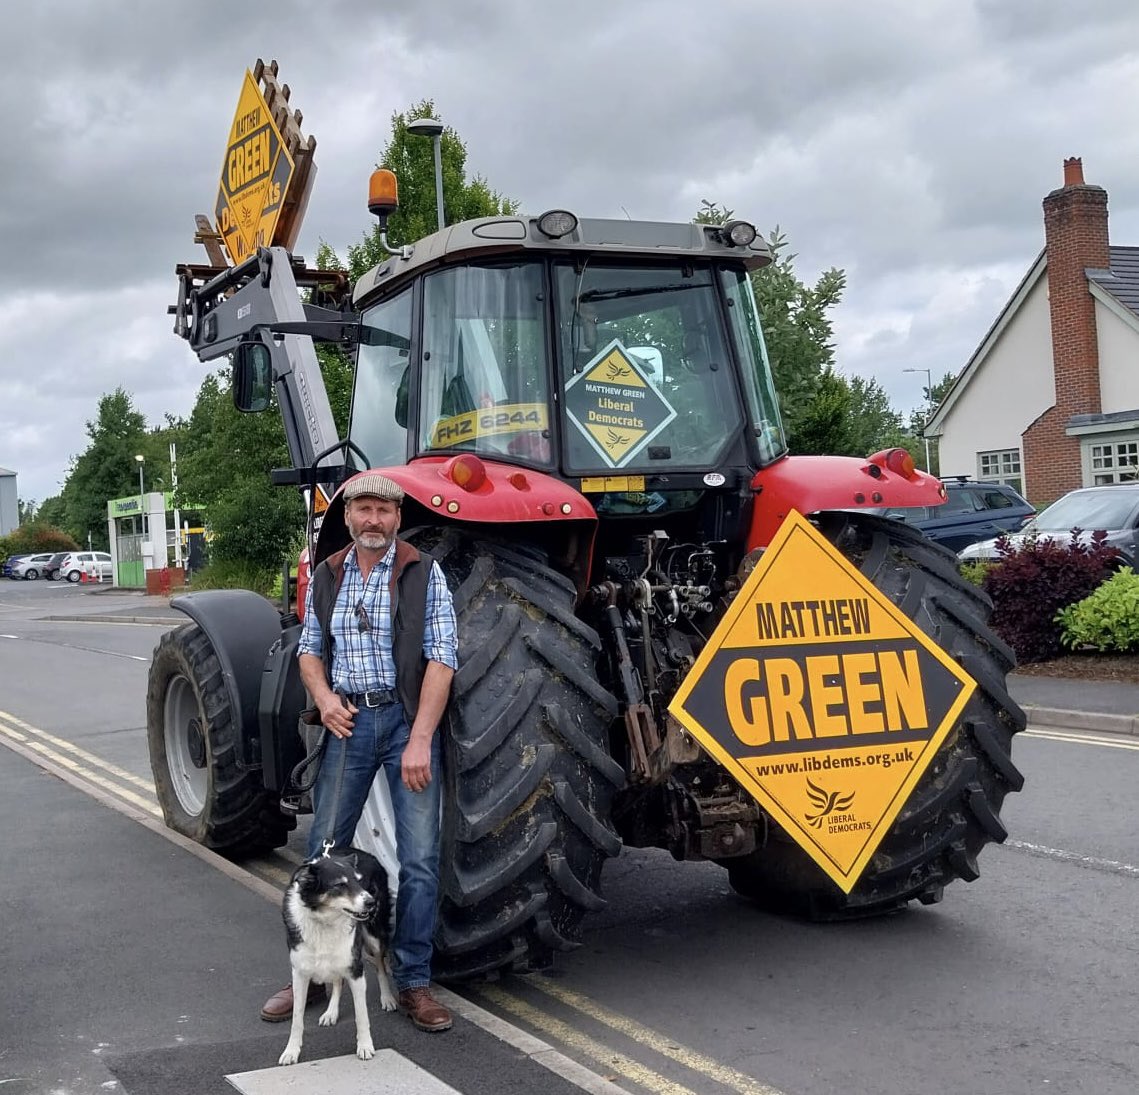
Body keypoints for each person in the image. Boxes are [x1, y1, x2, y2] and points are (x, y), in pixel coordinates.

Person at [260, 471, 458, 1032]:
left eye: (385, 511)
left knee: (418, 859)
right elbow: (309, 649)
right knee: (324, 852)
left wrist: (420, 738)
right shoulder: (326, 576)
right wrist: (323, 699)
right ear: (347, 516)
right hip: (347, 723)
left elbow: (443, 658)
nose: (375, 520)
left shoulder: (424, 574)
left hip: (405, 723)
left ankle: (414, 980)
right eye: (364, 509)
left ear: (398, 518)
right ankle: (317, 977)